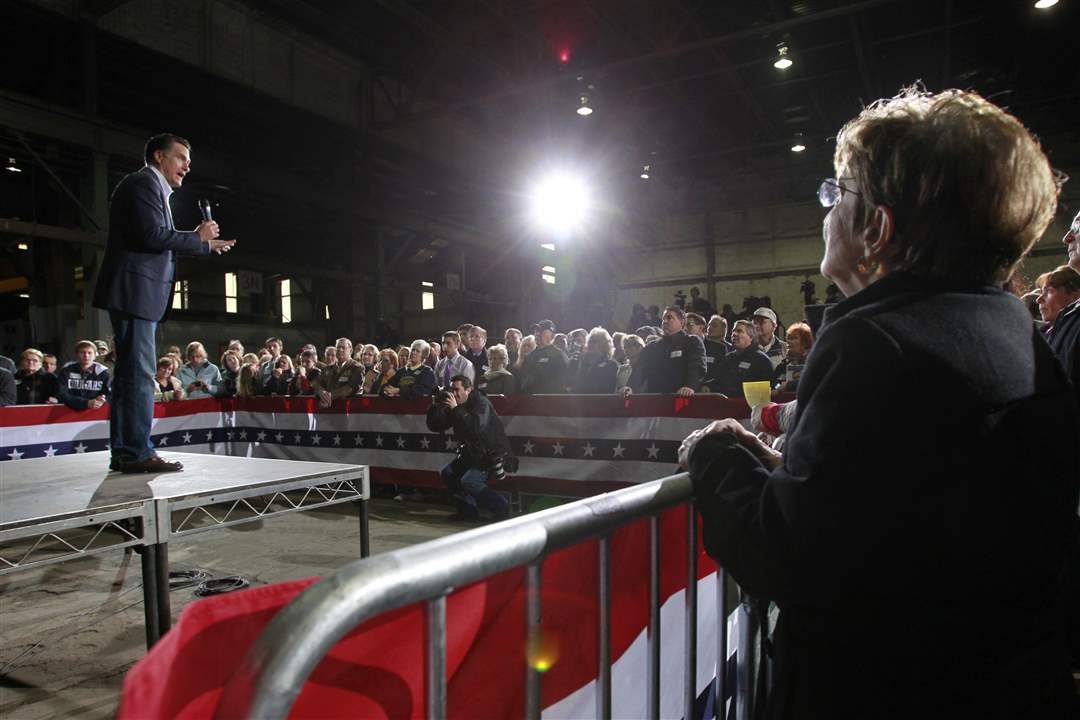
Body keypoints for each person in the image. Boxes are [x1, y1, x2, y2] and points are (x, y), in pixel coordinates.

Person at [681, 87, 1078, 719]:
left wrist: (716, 455)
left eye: (838, 193)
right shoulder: (1015, 333)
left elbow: (786, 560)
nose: (826, 211)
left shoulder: (873, 344)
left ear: (878, 228)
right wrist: (789, 472)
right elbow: (900, 510)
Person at [92, 133, 234, 472]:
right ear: (158, 156)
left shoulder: (152, 190)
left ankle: (127, 451)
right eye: (181, 157)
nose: (187, 165)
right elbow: (151, 236)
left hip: (136, 294)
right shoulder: (142, 185)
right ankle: (137, 452)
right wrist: (198, 239)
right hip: (134, 292)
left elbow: (157, 238)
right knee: (139, 376)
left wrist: (203, 246)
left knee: (131, 375)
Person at [426, 374, 512, 521]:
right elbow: (436, 426)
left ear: (469, 390)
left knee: (469, 481)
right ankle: (468, 511)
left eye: (457, 389)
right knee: (447, 473)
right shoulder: (456, 405)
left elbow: (475, 427)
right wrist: (435, 406)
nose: (453, 393)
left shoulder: (481, 402)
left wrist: (455, 409)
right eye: (452, 389)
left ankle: (501, 507)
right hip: (471, 453)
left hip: (490, 453)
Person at [626, 306, 706, 397]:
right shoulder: (652, 346)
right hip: (656, 401)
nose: (665, 321)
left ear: (682, 322)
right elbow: (639, 369)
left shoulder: (691, 342)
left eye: (669, 317)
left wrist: (690, 386)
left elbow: (697, 366)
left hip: (682, 399)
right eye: (663, 318)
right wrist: (629, 387)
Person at [1039, 265, 1080, 393]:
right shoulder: (1042, 334)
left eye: (1049, 291)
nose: (1039, 299)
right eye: (1041, 292)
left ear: (1076, 293)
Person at [57, 340, 111, 411]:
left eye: (89, 353)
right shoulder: (66, 371)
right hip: (69, 412)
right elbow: (61, 393)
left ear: (95, 355)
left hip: (95, 414)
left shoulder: (103, 373)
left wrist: (102, 400)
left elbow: (109, 394)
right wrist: (85, 403)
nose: (86, 355)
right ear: (76, 354)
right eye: (82, 352)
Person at [314, 337, 365, 408]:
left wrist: (330, 396)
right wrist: (321, 392)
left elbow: (350, 388)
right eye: (338, 347)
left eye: (343, 348)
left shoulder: (357, 368)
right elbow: (318, 384)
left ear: (351, 350)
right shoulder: (327, 369)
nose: (340, 349)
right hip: (327, 411)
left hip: (348, 411)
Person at [520, 320, 567, 394]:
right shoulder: (530, 356)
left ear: (552, 335)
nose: (537, 333)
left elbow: (564, 381)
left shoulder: (558, 355)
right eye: (536, 331)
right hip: (531, 400)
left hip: (550, 400)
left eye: (542, 331)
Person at [574, 327, 618, 393]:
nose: (591, 344)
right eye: (590, 341)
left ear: (604, 344)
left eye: (595, 341)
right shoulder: (580, 362)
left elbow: (608, 389)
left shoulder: (611, 365)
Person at [773, 322, 813, 393]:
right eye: (788, 338)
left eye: (793, 338)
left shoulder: (812, 362)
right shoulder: (784, 364)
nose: (788, 341)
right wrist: (779, 387)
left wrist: (789, 386)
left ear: (805, 342)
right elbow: (773, 382)